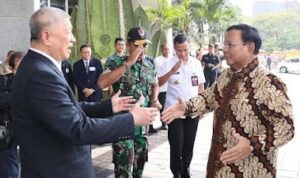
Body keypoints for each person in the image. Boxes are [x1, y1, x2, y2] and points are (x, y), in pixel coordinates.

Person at [11, 7, 157, 178]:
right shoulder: (40, 75)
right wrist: (130, 120)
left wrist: (107, 107)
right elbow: (77, 129)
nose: (73, 40)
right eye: (68, 33)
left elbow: (66, 109)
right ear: (46, 37)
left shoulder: (38, 67)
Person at [162, 24, 295, 178]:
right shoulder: (226, 76)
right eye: (225, 44)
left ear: (250, 48)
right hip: (218, 169)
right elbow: (208, 99)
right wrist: (187, 107)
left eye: (230, 45)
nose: (224, 49)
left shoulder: (268, 83)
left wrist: (253, 144)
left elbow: (286, 127)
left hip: (250, 171)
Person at [98, 27, 160, 178]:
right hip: (122, 124)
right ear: (128, 45)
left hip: (142, 127)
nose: (142, 49)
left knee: (140, 166)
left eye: (145, 45)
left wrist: (154, 100)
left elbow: (155, 83)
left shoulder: (149, 65)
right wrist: (129, 63)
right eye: (139, 44)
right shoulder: (116, 62)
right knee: (124, 168)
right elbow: (101, 83)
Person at [157, 34, 205, 178]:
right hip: (174, 111)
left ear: (189, 47)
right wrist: (172, 71)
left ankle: (186, 169)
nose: (182, 54)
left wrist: (201, 107)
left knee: (189, 144)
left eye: (185, 50)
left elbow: (201, 85)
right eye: (179, 50)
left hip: (192, 110)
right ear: (174, 49)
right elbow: (158, 83)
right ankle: (176, 172)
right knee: (176, 144)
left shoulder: (196, 63)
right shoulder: (167, 63)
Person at [0, 51, 25, 178]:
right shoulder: (4, 81)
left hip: (29, 131)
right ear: (11, 68)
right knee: (9, 167)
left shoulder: (35, 83)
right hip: (8, 131)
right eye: (19, 66)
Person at [154, 44, 170, 130]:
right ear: (161, 50)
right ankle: (164, 122)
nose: (166, 51)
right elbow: (155, 74)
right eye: (165, 49)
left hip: (170, 87)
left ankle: (168, 120)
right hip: (161, 87)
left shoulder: (172, 60)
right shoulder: (157, 60)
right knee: (162, 105)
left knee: (169, 105)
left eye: (168, 49)